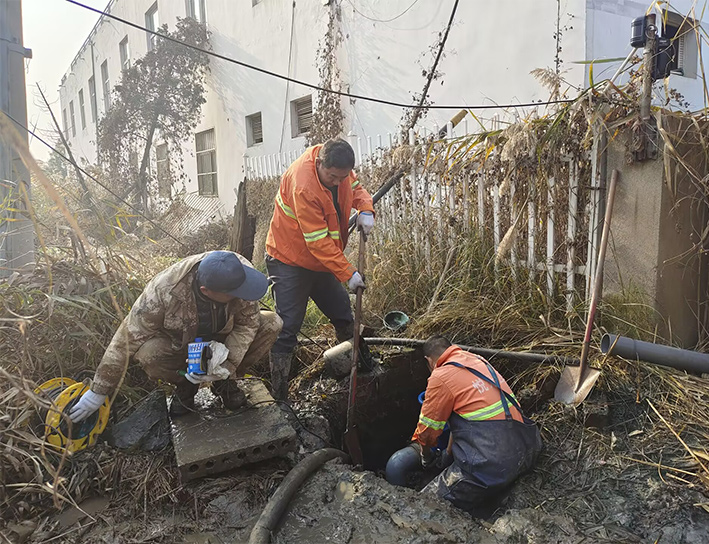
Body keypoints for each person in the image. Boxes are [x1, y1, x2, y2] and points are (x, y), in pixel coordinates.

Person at [69, 251, 283, 422]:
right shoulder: (162, 292)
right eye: (232, 294)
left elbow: (247, 325)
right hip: (180, 343)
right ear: (206, 290)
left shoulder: (239, 274)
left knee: (272, 323)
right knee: (148, 354)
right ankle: (186, 385)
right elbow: (126, 339)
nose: (240, 295)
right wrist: (99, 390)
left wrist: (227, 366)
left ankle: (225, 383)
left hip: (225, 336)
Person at [264, 138, 375, 400]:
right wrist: (347, 273)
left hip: (322, 260)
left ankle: (362, 367)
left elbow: (356, 188)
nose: (337, 182)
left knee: (342, 312)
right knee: (288, 327)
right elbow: (317, 241)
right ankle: (279, 396)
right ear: (319, 163)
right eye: (332, 177)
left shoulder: (339, 167)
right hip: (289, 260)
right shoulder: (303, 185)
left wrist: (365, 208)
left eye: (342, 177)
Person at [390, 335, 542, 514]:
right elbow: (465, 419)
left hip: (492, 465)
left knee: (423, 505)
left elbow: (427, 433)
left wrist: (426, 457)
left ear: (429, 361)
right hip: (527, 448)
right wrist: (448, 454)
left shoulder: (441, 376)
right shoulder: (477, 360)